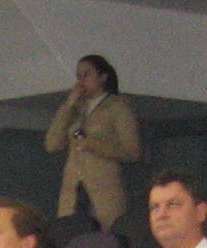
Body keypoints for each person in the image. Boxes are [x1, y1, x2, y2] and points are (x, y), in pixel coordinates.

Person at [43, 54, 142, 228]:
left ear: (102, 77)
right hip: (73, 192)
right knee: (70, 233)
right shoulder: (75, 109)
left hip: (103, 192)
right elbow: (52, 144)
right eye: (78, 76)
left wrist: (93, 144)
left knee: (105, 235)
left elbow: (133, 152)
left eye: (87, 74)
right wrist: (68, 107)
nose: (81, 81)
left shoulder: (117, 107)